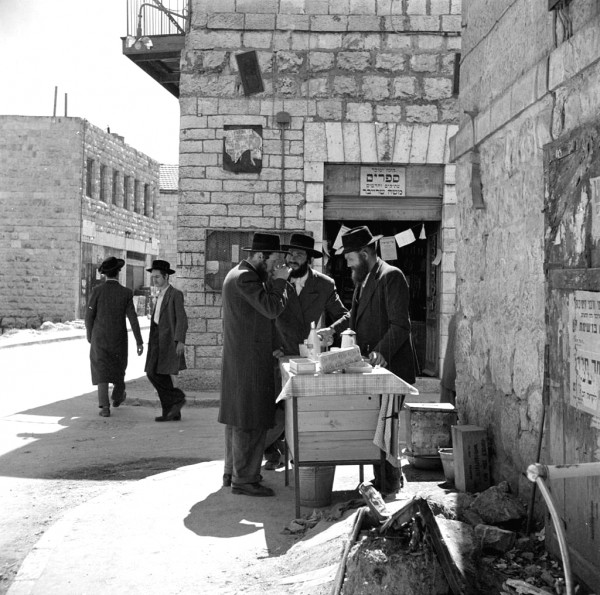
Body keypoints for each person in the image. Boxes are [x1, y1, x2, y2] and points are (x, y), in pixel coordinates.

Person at [339, 225, 416, 495]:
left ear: (365, 254)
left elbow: (400, 325)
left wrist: (381, 351)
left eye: (350, 259)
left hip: (392, 369)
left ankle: (390, 482)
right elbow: (352, 316)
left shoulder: (391, 276)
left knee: (387, 425)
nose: (347, 264)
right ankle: (387, 478)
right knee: (378, 424)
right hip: (373, 369)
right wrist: (332, 330)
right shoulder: (363, 279)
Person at [264, 233, 350, 470]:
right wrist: (272, 346)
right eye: (290, 253)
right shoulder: (276, 281)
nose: (292, 259)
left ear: (309, 259)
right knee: (275, 406)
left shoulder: (324, 284)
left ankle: (301, 452)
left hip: (307, 357)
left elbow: (346, 315)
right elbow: (265, 316)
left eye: (299, 254)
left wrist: (331, 330)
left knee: (303, 408)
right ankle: (272, 452)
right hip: (279, 354)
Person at [218, 232, 291, 497]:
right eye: (273, 262)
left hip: (243, 359)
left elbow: (256, 316)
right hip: (248, 362)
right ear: (260, 257)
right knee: (250, 422)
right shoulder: (246, 277)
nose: (275, 268)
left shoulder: (238, 274)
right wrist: (281, 282)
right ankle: (244, 480)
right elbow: (271, 308)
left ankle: (232, 473)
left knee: (239, 421)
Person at [85, 256, 144, 417]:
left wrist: (90, 336)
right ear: (118, 273)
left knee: (101, 370)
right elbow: (133, 318)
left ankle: (104, 407)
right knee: (118, 369)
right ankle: (117, 397)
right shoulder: (125, 293)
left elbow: (89, 317)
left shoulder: (97, 291)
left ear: (104, 274)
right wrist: (139, 341)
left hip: (100, 338)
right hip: (118, 339)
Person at [145, 260, 188, 422]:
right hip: (157, 339)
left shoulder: (175, 294)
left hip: (169, 340)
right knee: (155, 372)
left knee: (154, 372)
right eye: (153, 277)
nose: (154, 280)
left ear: (166, 277)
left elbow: (182, 319)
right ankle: (172, 411)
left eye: (157, 277)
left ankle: (177, 399)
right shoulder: (159, 294)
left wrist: (180, 340)